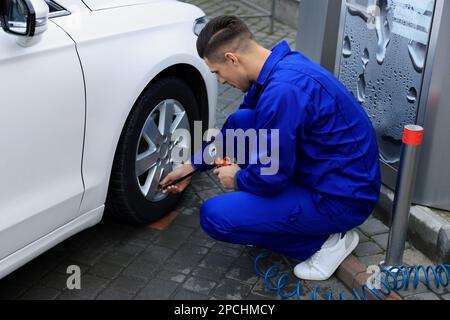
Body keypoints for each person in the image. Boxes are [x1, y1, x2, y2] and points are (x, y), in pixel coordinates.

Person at [160, 16, 381, 281]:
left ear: (232, 58)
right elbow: (237, 133)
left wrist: (238, 177)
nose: (219, 81)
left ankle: (326, 242)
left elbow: (271, 178)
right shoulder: (279, 66)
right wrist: (192, 166)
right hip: (328, 173)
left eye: (216, 72)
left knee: (215, 217)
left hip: (342, 199)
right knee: (242, 121)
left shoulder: (282, 91)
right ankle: (295, 220)